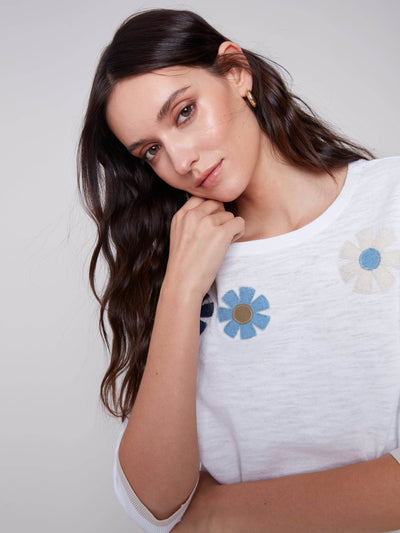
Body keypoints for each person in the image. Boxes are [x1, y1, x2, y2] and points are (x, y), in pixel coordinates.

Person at [78, 8, 400, 533]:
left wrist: (216, 515)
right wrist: (181, 289)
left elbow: (184, 519)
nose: (180, 160)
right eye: (151, 150)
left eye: (184, 112)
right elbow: (155, 502)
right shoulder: (178, 262)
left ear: (235, 72)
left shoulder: (392, 201)